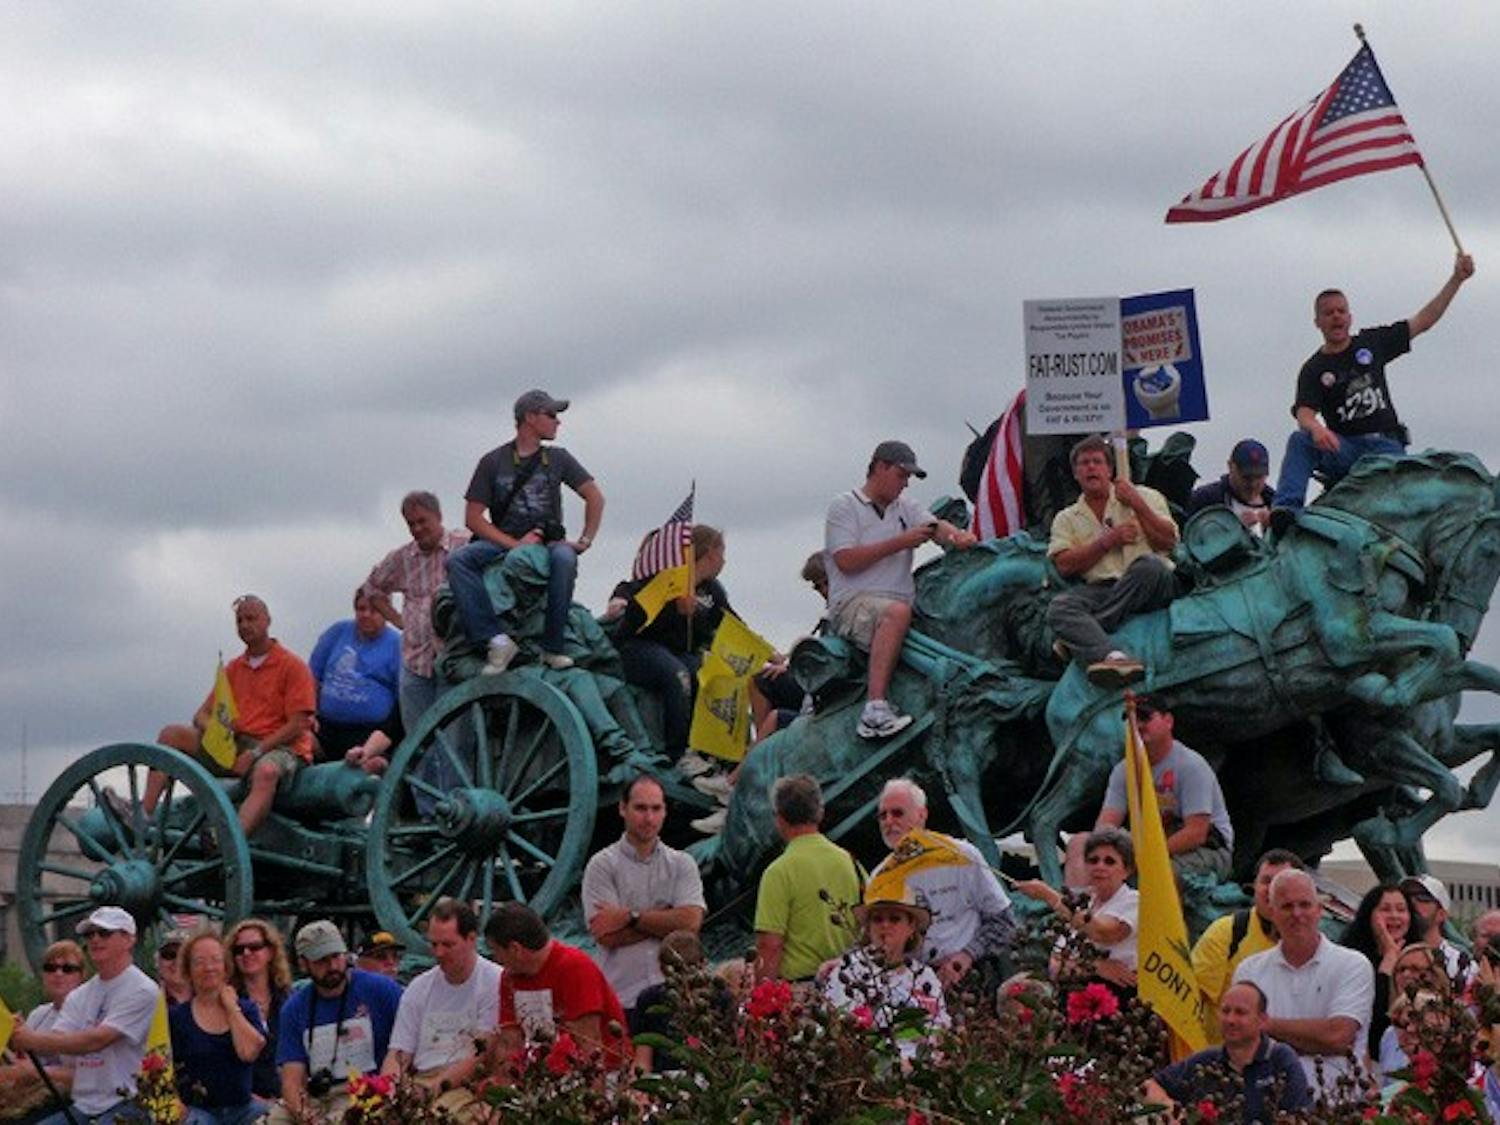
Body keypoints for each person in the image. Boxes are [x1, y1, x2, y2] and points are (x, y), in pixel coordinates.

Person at [1275, 252, 1477, 511]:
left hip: (1385, 445)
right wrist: (1317, 428)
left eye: (1341, 311)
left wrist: (1456, 280)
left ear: (1350, 317)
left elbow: (1423, 321)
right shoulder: (1314, 369)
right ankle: (1286, 510)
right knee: (1299, 440)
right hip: (1345, 448)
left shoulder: (1372, 343)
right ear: (1318, 322)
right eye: (1328, 313)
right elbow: (1304, 414)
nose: (1336, 316)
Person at [824, 440, 977, 739]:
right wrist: (901, 542)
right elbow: (845, 561)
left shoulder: (905, 507)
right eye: (901, 475)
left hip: (898, 604)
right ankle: (874, 709)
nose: (905, 484)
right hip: (853, 604)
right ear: (880, 467)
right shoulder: (844, 506)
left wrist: (955, 536)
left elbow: (935, 526)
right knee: (896, 613)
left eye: (908, 478)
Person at [447, 388, 604, 673]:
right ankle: (494, 639)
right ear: (530, 418)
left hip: (548, 541)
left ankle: (552, 647)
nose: (558, 422)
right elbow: (473, 517)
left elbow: (595, 496)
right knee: (458, 560)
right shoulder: (493, 461)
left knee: (564, 559)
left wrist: (584, 540)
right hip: (504, 539)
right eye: (552, 415)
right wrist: (513, 545)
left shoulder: (559, 459)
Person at [146, 595, 316, 837]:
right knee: (171, 735)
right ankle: (144, 815)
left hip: (279, 747)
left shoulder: (292, 666)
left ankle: (227, 837)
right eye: (239, 620)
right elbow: (200, 715)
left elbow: (299, 723)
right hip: (235, 744)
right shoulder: (234, 669)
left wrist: (256, 753)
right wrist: (220, 730)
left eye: (251, 618)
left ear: (267, 621)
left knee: (266, 773)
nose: (245, 625)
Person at [1046, 435, 1179, 687]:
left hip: (1151, 582)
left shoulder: (1145, 496)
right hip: (1103, 590)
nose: (1091, 468)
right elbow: (1064, 564)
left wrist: (1138, 505)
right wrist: (1107, 542)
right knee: (1059, 607)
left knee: (1149, 567)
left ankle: (1079, 635)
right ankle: (1112, 657)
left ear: (1110, 469)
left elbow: (1168, 541)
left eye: (1097, 462)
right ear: (1075, 473)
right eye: (1084, 463)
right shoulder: (1066, 518)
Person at [11, 907, 160, 1125]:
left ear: (129, 939)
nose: (95, 939)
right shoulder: (80, 995)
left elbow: (95, 1041)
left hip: (130, 1103)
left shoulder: (143, 990)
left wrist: (31, 1039)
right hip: (84, 1105)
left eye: (104, 933)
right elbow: (57, 1040)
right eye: (90, 934)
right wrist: (14, 1030)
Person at [1232, 868, 1374, 1097]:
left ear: (1319, 910)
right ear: (1272, 912)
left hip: (1339, 1108)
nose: (1297, 914)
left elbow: (1338, 1036)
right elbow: (1242, 1042)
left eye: (1305, 905)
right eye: (1287, 906)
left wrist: (1264, 1025)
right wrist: (1315, 1036)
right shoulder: (1249, 970)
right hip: (1270, 1108)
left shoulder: (1353, 965)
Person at [867, 778, 1015, 991]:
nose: (888, 821)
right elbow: (872, 942)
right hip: (911, 988)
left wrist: (967, 955)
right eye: (882, 815)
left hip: (971, 980)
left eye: (897, 813)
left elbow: (1004, 922)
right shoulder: (879, 877)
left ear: (922, 814)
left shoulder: (963, 855)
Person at [1066, 696, 1232, 884]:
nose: (1138, 725)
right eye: (1132, 721)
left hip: (1204, 850)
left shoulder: (1191, 765)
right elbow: (1106, 824)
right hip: (1148, 846)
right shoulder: (1124, 770)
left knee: (1153, 875)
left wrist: (1140, 859)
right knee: (1079, 844)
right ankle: (1078, 907)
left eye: (1145, 718)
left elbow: (1196, 833)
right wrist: (1102, 853)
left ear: (1168, 721)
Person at [582, 775, 705, 1016]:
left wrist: (630, 916)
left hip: (675, 997)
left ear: (664, 812)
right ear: (622, 809)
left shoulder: (683, 864)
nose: (649, 818)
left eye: (656, 809)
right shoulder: (601, 865)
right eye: (640, 808)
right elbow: (607, 935)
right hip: (622, 998)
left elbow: (690, 924)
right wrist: (668, 918)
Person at [607, 525, 732, 763]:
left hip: (678, 652)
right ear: (711, 553)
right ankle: (678, 754)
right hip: (637, 648)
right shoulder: (659, 581)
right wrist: (620, 603)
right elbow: (631, 611)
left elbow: (732, 625)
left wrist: (769, 655)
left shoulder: (711, 591)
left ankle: (713, 752)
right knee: (677, 674)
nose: (724, 561)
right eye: (722, 554)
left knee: (710, 674)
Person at [271, 920, 403, 1124]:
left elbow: (405, 1046)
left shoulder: (381, 990)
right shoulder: (294, 1008)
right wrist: (304, 1116)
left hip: (365, 1090)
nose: (332, 966)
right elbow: (291, 1080)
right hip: (316, 1094)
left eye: (336, 956)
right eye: (321, 960)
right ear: (304, 963)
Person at [362, 490, 472, 731]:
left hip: (454, 658)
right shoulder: (402, 557)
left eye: (423, 521)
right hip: (416, 663)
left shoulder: (463, 544)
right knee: (419, 741)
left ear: (438, 516)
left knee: (454, 743)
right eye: (411, 524)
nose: (417, 529)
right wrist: (398, 620)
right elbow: (372, 589)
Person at [484, 903, 629, 1075]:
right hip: (543, 1077)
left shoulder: (575, 967)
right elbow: (509, 1044)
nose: (496, 959)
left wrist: (595, 1100)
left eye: (496, 951)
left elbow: (591, 1045)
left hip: (601, 1073)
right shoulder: (510, 977)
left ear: (516, 949)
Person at [1144, 981, 1312, 1122]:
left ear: (1262, 1020)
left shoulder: (1281, 1059)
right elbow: (1149, 1087)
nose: (1230, 1020)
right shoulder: (1207, 1061)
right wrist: (1176, 1115)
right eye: (1225, 1011)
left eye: (1240, 1012)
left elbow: (1299, 1118)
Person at [821, 884, 949, 1063]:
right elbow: (840, 1027)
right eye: (877, 919)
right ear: (868, 926)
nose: (885, 925)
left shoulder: (925, 976)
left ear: (911, 926)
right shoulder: (848, 971)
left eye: (894, 919)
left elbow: (940, 1028)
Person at [753, 774, 862, 982]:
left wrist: (761, 997)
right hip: (847, 985)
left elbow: (770, 945)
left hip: (800, 993)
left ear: (779, 819)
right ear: (820, 813)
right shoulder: (850, 862)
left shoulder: (778, 872)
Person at [381, 899, 499, 1089]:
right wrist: (388, 1090)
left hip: (465, 1083)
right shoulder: (418, 987)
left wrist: (432, 1090)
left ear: (471, 939)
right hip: (420, 1078)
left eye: (448, 945)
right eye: (434, 944)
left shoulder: (494, 981)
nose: (439, 953)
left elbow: (481, 1056)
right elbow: (398, 1055)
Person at [1191, 849, 1307, 1044]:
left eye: (1280, 882)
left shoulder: (1313, 946)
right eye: (1266, 881)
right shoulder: (1227, 932)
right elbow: (1192, 998)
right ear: (1254, 886)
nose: (1272, 889)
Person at [1016, 827, 1139, 998]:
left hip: (1119, 999)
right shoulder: (1083, 902)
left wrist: (1050, 897)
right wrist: (1096, 966)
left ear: (1127, 870)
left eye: (1109, 861)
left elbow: (1105, 932)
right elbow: (1056, 964)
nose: (1099, 866)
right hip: (1074, 995)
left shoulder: (1134, 901)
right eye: (1093, 860)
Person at [168, 930, 267, 1125]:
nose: (209, 967)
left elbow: (249, 1052)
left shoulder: (246, 1009)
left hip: (244, 1108)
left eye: (215, 960)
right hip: (198, 1111)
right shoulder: (177, 1017)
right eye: (199, 962)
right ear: (188, 970)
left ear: (226, 966)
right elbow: (166, 1068)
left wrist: (231, 1008)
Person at [308, 590, 403, 769]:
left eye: (374, 610)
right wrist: (310, 713)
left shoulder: (397, 645)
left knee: (375, 765)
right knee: (297, 743)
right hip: (325, 728)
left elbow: (403, 699)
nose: (366, 615)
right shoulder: (336, 632)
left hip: (369, 733)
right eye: (361, 609)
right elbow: (312, 677)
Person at [0, 940, 87, 1119]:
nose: (58, 974)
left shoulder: (89, 1015)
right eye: (50, 968)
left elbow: (89, 1076)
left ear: (81, 976)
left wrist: (35, 1071)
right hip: (32, 1098)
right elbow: (21, 1064)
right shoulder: (39, 1014)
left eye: (67, 969)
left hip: (72, 1103)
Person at [630, 930, 734, 1074]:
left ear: (703, 965)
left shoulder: (721, 998)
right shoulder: (650, 999)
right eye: (677, 971)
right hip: (664, 1080)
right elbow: (642, 1060)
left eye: (689, 970)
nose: (684, 979)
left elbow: (728, 1052)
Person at [1339, 883, 1424, 1056]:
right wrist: (1388, 962)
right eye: (1385, 909)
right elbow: (1372, 1017)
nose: (1394, 916)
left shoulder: (1421, 958)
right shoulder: (1349, 960)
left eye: (1401, 910)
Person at [225, 918, 293, 1102]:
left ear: (270, 952)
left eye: (254, 947)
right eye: (239, 950)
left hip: (286, 1095)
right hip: (243, 1099)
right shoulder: (228, 1001)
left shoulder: (289, 999)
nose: (246, 953)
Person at [1374, 943, 1451, 1081]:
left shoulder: (1450, 1027)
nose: (1406, 975)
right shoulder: (1390, 1034)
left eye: (1415, 969)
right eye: (1401, 969)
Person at [1185, 439, 1276, 535]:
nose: (1253, 484)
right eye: (1246, 477)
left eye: (1259, 477)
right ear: (1230, 466)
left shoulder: (1276, 503)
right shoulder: (1205, 499)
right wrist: (1233, 528)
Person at [1400, 873, 1467, 979]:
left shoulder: (1459, 961)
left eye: (1422, 897)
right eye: (1406, 896)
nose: (1412, 902)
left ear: (1441, 914)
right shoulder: (1390, 953)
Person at [156, 927, 193, 1005]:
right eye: (169, 954)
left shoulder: (212, 999)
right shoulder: (146, 1000)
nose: (177, 962)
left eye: (183, 956)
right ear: (158, 962)